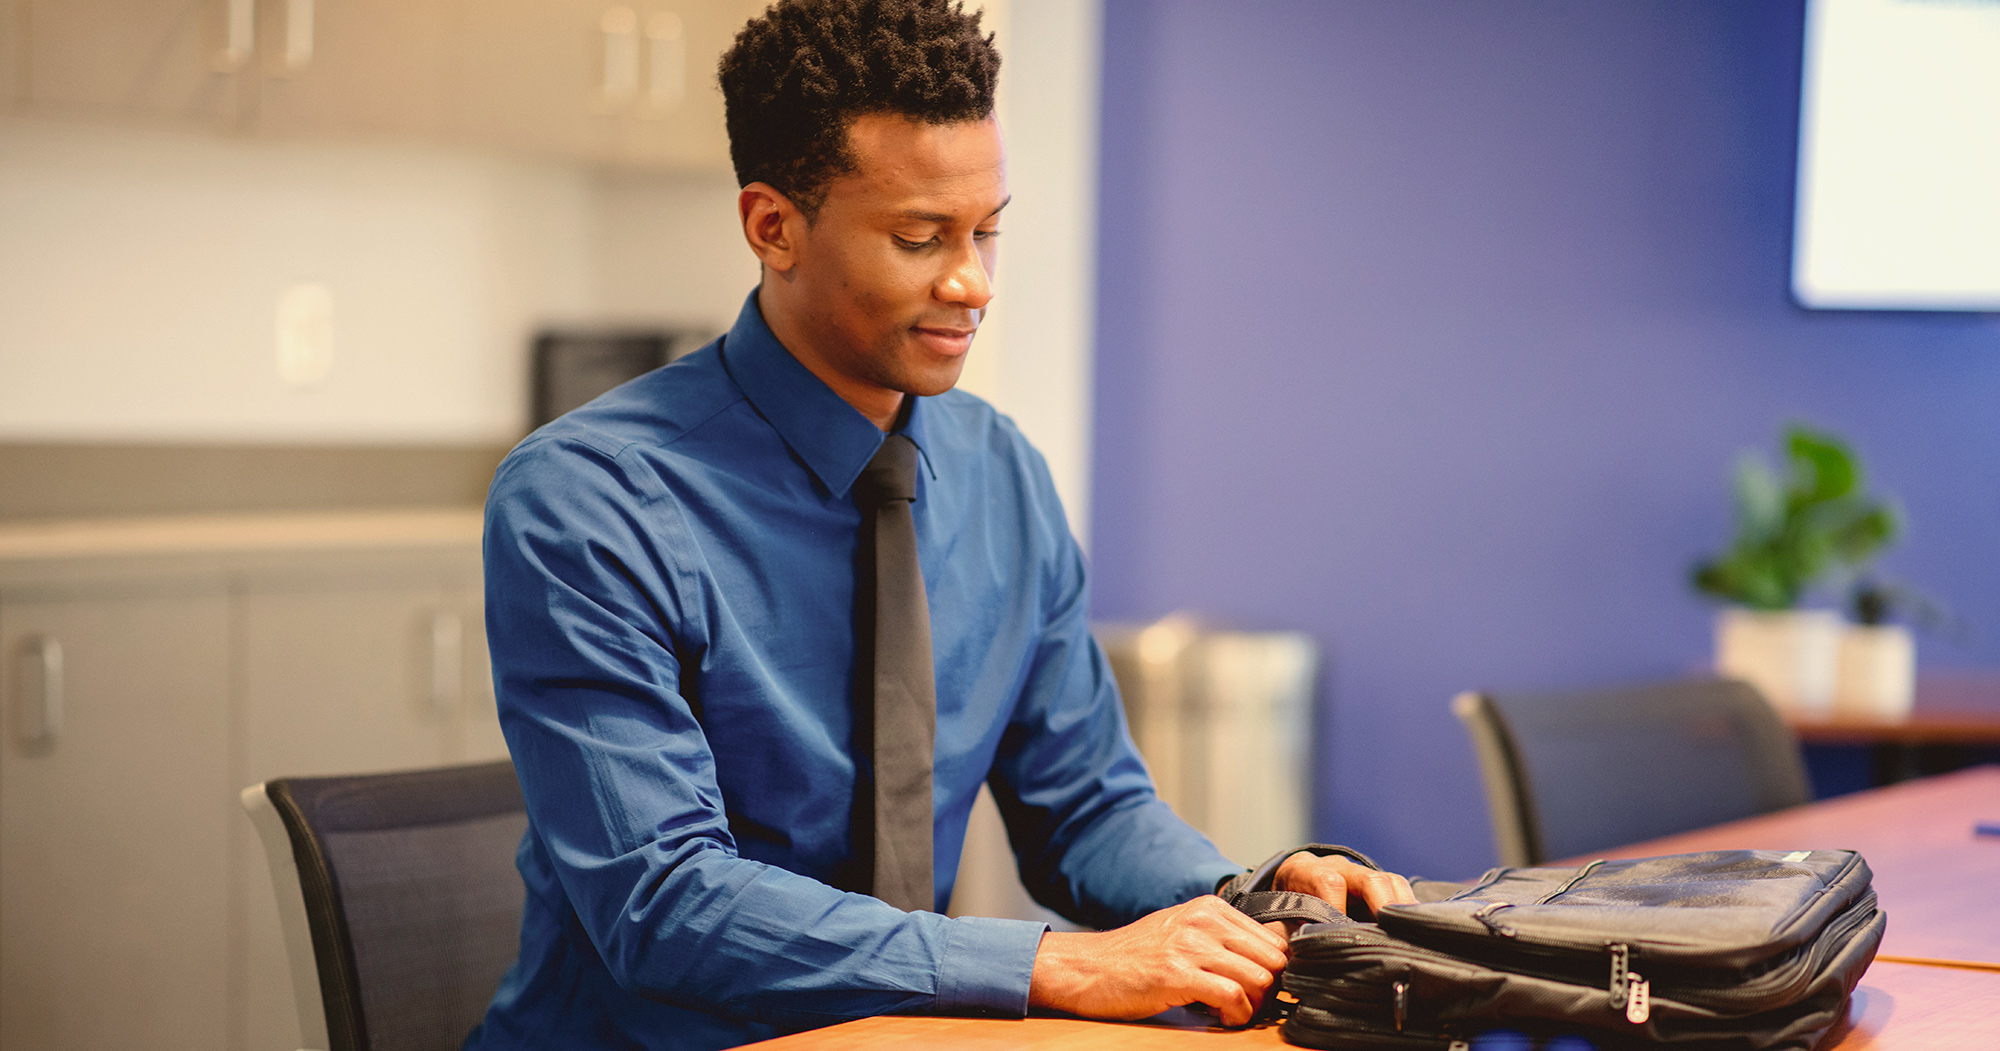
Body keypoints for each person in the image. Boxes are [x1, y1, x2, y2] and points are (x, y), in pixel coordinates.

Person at [467, 2, 1413, 1048]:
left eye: (985, 230)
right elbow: (665, 904)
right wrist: (1053, 962)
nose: (971, 282)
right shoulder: (589, 497)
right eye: (920, 238)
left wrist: (1247, 898)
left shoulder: (996, 470)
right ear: (771, 225)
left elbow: (1086, 809)